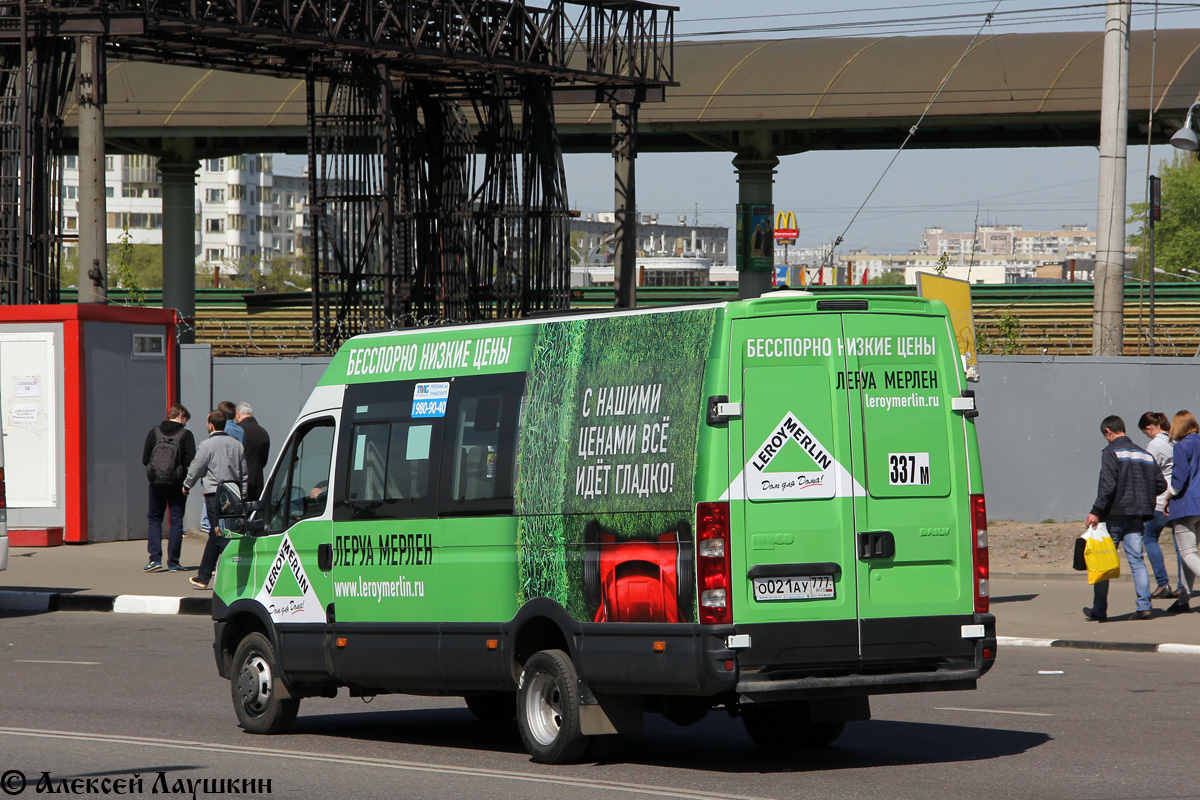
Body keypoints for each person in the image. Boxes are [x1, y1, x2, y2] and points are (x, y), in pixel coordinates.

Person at [1083, 414, 1165, 622]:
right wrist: (1143, 495)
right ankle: (1144, 605)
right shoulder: (1145, 454)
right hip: (1138, 516)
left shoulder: (1111, 452)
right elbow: (1161, 485)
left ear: (1109, 432)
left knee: (1104, 562)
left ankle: (1099, 610)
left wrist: (1095, 511)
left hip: (1115, 515)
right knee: (1137, 561)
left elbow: (1108, 486)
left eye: (1106, 436)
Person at [183, 410, 247, 590]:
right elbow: (244, 473)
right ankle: (203, 577)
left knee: (219, 534)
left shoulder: (207, 445)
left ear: (211, 425)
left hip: (215, 495)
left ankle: (235, 569)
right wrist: (242, 493)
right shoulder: (237, 445)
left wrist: (187, 485)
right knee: (216, 533)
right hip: (233, 494)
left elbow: (196, 467)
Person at [140, 403, 196, 572]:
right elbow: (190, 458)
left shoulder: (154, 432)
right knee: (176, 521)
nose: (185, 423)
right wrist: (178, 469)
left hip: (156, 482)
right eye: (185, 419)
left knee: (155, 519)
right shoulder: (185, 435)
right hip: (177, 483)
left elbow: (145, 458)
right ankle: (173, 562)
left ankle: (155, 559)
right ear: (180, 415)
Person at [1139, 411, 1182, 599]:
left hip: (1160, 500)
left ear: (1149, 428)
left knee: (1149, 538)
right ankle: (1183, 585)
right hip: (1178, 498)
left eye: (1145, 432)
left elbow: (1146, 473)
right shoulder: (1175, 441)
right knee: (1180, 544)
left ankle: (1163, 583)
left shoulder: (1155, 444)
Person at [1166, 411, 1200, 613]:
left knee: (1187, 553)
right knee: (1192, 553)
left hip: (1186, 505)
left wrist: (1169, 496)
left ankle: (1183, 599)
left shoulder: (1182, 446)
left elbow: (1180, 477)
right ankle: (1183, 599)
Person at [235, 401, 270, 501]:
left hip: (241, 483)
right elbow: (263, 461)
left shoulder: (238, 430)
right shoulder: (263, 432)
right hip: (258, 480)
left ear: (238, 414)